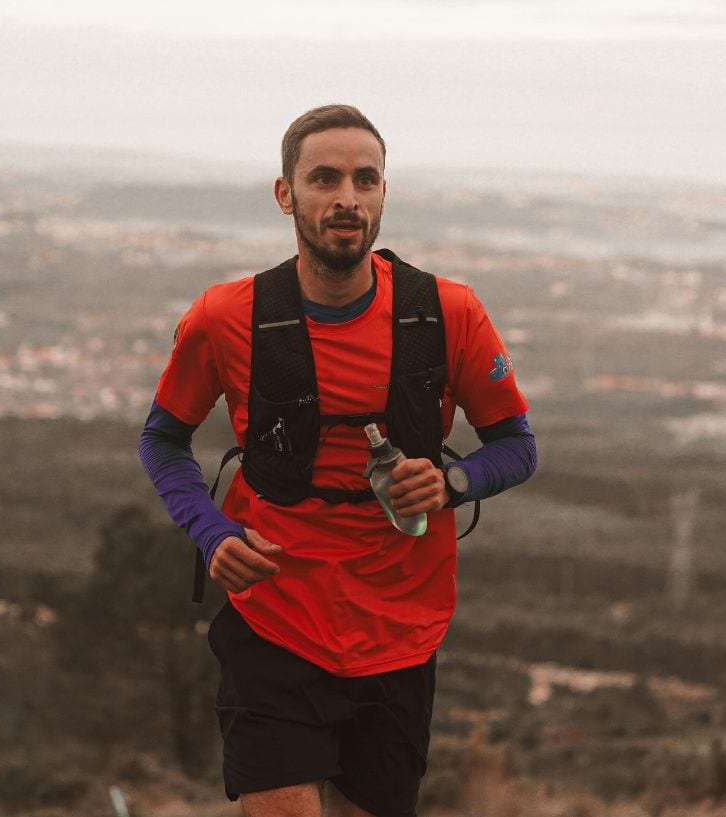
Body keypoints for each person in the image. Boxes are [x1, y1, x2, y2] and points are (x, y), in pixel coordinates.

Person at [140, 104, 536, 817]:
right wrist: (211, 532)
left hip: (401, 628)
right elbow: (162, 438)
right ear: (286, 193)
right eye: (324, 178)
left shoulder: (450, 312)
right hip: (274, 615)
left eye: (365, 179)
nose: (347, 197)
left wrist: (452, 480)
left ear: (385, 193)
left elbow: (518, 445)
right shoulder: (227, 317)